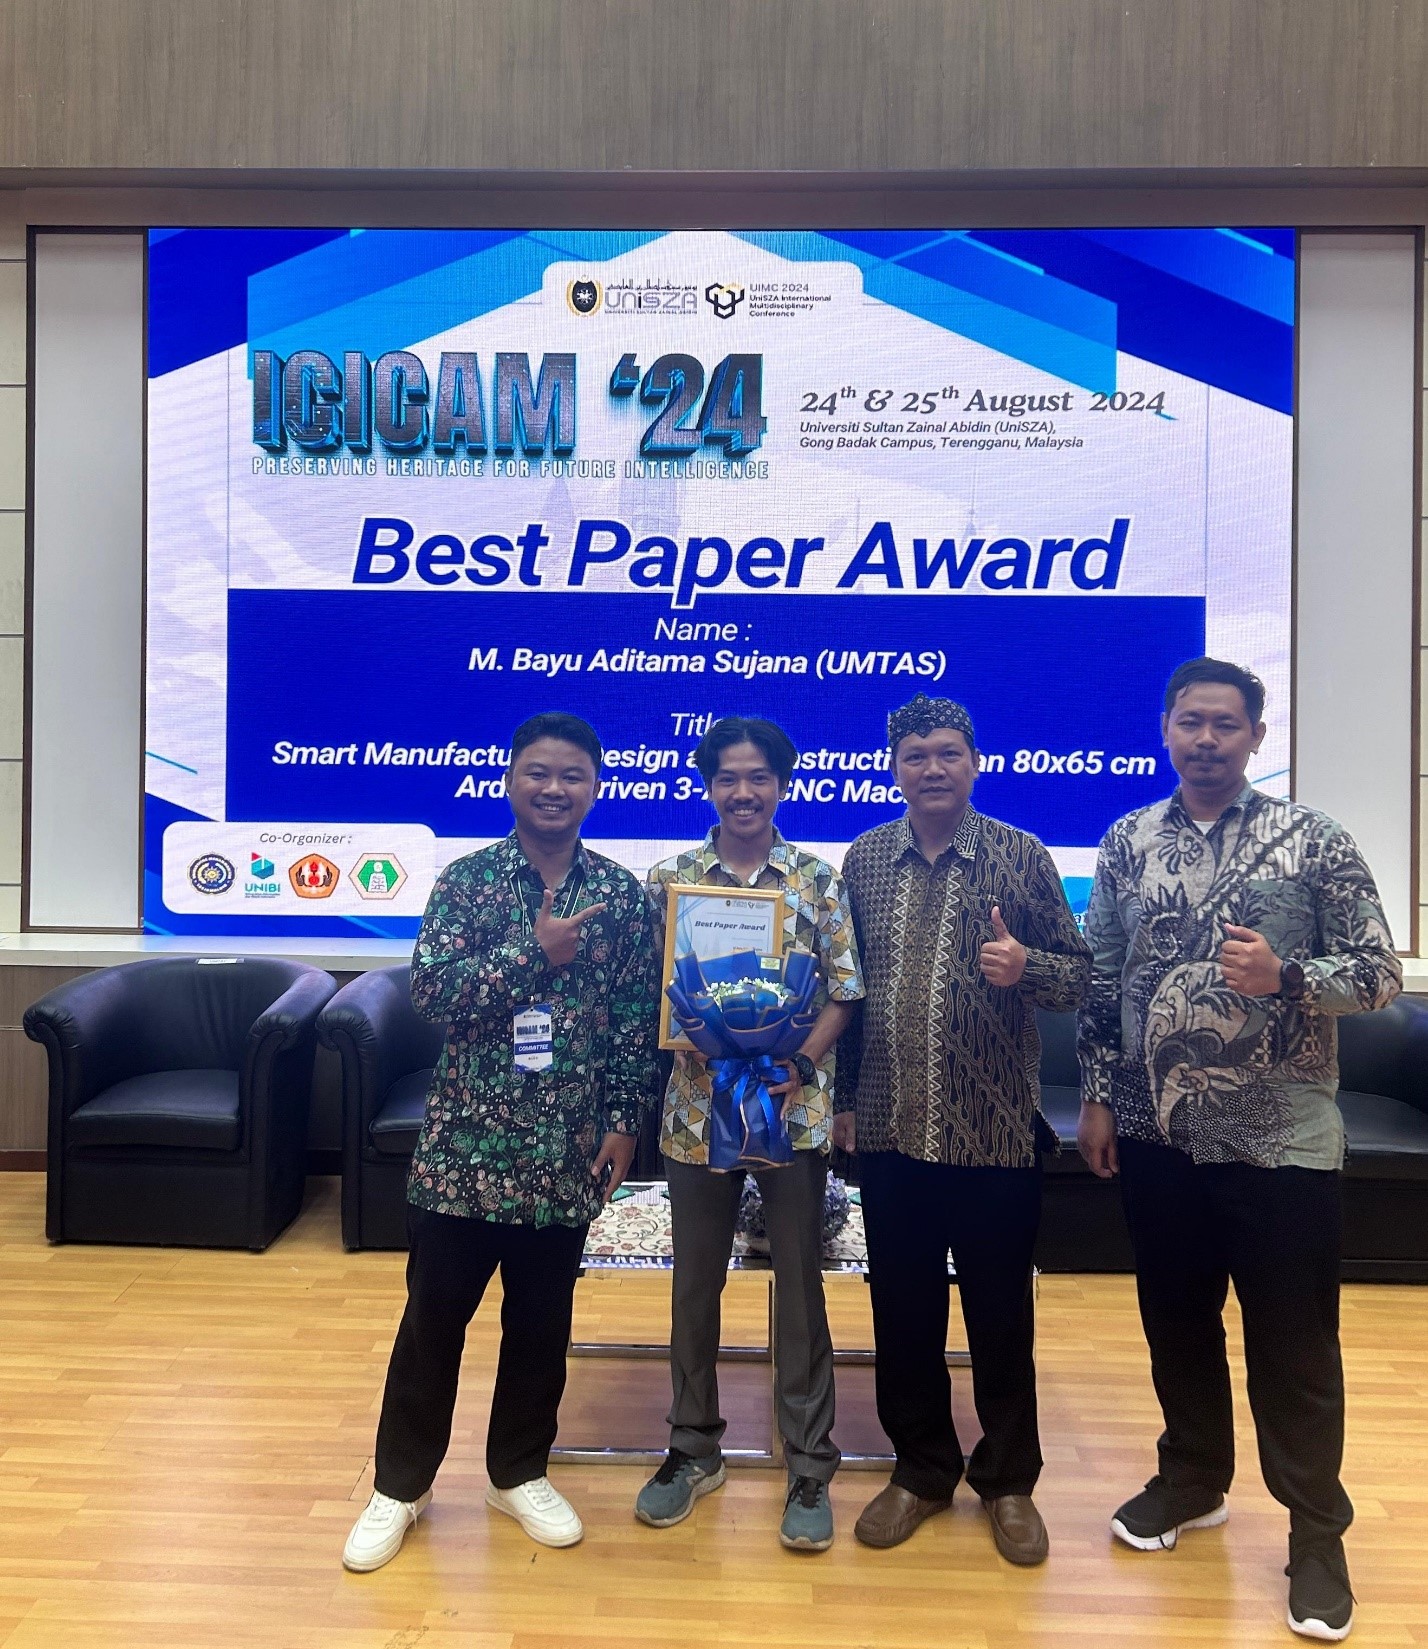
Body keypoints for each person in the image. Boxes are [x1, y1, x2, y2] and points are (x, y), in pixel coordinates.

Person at [1076, 656, 1401, 1643]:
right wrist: (1098, 1096)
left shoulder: (1313, 839)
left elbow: (1380, 972)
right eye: (1191, 721)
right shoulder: (1128, 840)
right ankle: (1192, 1477)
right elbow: (1103, 977)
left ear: (1258, 735)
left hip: (1280, 1137)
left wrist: (1286, 975)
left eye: (1227, 723)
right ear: (1166, 729)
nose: (1207, 739)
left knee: (1293, 1343)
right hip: (1156, 1131)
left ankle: (1316, 1532)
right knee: (1176, 1320)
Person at [343, 712, 660, 1572]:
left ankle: (517, 1472)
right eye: (538, 773)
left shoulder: (620, 895)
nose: (554, 788)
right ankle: (399, 1487)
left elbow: (635, 1020)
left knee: (540, 1327)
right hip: (464, 1152)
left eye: (572, 775)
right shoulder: (469, 881)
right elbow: (432, 994)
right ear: (510, 780)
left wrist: (624, 1121)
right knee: (432, 1324)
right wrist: (533, 953)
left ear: (595, 787)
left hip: (565, 1153)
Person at [834, 692, 1090, 1565]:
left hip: (993, 1134)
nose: (932, 768)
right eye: (915, 755)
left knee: (999, 1317)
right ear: (893, 768)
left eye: (948, 752)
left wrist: (1027, 966)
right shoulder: (866, 858)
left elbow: (1080, 977)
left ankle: (1009, 1481)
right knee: (903, 1314)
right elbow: (847, 991)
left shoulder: (1020, 854)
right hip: (890, 1131)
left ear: (974, 762)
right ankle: (921, 1470)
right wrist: (843, 1100)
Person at [636, 716, 865, 1551]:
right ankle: (693, 1447)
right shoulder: (669, 880)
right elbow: (653, 988)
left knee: (800, 1286)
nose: (743, 792)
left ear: (782, 785)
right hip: (696, 1114)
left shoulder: (816, 879)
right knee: (694, 1285)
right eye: (728, 777)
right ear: (708, 786)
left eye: (758, 777)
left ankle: (809, 1462)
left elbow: (844, 989)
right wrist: (688, 1033)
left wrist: (798, 1061)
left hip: (789, 1111)